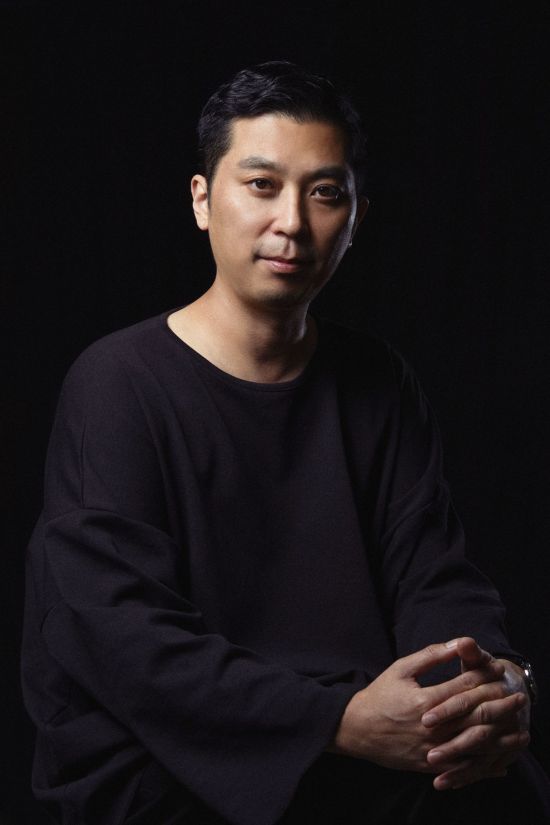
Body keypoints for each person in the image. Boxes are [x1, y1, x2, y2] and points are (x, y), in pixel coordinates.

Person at [22, 61, 550, 824]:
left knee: (495, 774)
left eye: (325, 193)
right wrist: (337, 722)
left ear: (356, 216)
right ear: (203, 200)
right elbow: (121, 636)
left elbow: (434, 574)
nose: (293, 223)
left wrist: (486, 681)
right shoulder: (117, 384)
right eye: (262, 185)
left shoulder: (379, 381)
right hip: (175, 751)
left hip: (364, 724)